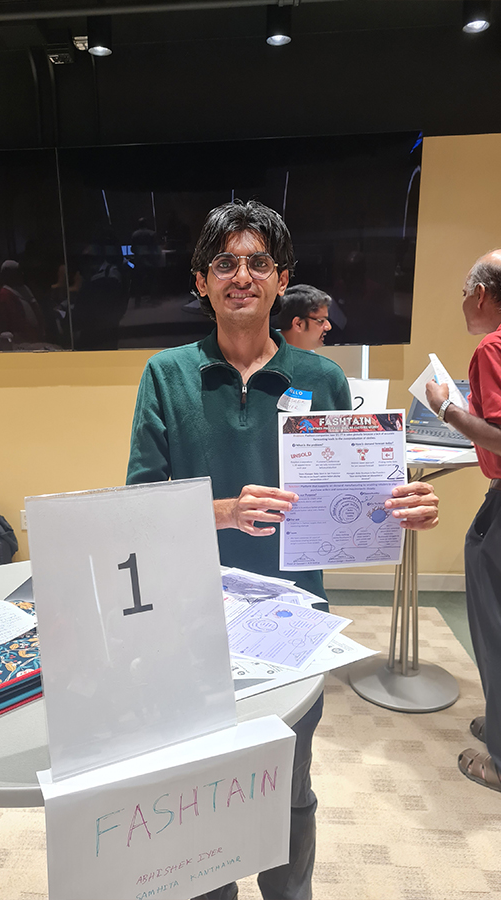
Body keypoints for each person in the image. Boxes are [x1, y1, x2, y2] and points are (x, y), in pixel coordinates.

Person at [127, 200, 440, 900]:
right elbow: (137, 507)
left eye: (258, 263)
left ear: (280, 278)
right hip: (192, 622)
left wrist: (403, 506)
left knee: (288, 782)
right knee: (203, 783)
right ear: (201, 281)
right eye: (226, 263)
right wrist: (224, 511)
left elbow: (358, 497)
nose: (243, 275)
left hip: (296, 623)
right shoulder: (166, 375)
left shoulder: (320, 379)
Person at [426, 249, 501, 793]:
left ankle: (497, 758)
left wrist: (446, 409)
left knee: (494, 629)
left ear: (481, 294)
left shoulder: (492, 347)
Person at [278, 284, 332, 351]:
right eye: (321, 321)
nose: (328, 327)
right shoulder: (268, 353)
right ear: (298, 324)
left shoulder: (309, 354)